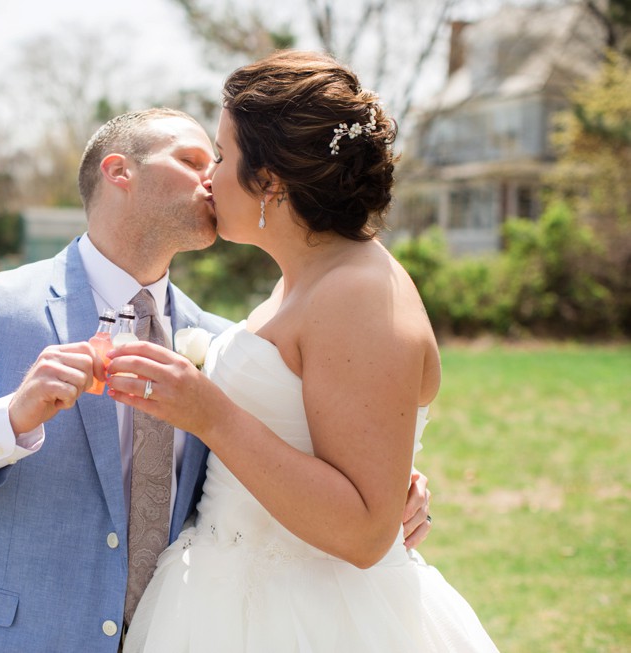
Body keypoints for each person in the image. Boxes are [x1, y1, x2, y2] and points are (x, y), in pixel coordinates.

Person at [0, 107, 432, 652]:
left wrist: (385, 484)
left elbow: (278, 463)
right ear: (119, 171)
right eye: (191, 160)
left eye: (218, 161)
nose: (214, 179)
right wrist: (7, 419)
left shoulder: (228, 344)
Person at [106, 51, 499, 652]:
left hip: (311, 618)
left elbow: (367, 532)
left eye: (220, 154)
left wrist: (207, 411)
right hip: (223, 596)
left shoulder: (360, 293)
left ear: (270, 180)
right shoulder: (306, 277)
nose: (208, 176)